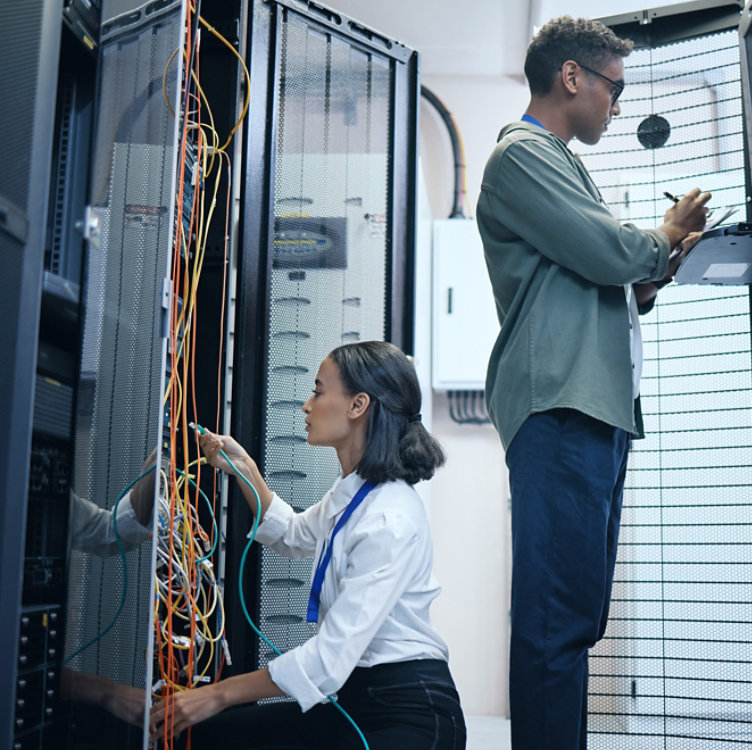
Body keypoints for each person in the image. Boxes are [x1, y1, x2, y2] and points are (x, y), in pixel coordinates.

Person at [476, 16, 712, 749]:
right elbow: (607, 250)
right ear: (571, 76)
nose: (617, 102)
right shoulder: (522, 155)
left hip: (592, 409)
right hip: (561, 408)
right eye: (614, 86)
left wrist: (651, 276)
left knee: (575, 618)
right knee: (555, 620)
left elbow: (600, 275)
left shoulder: (561, 163)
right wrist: (664, 238)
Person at [149, 340, 466, 750]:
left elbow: (327, 660)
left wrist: (214, 695)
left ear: (358, 405)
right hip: (357, 701)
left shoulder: (389, 518)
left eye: (318, 391)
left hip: (409, 712)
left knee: (213, 721)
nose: (306, 405)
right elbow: (294, 534)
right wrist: (243, 467)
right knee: (211, 737)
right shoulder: (355, 492)